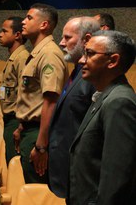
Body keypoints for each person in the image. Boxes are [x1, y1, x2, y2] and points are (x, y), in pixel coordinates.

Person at [69, 30, 136, 204]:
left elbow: (116, 176)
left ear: (113, 61)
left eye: (89, 54)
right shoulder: (105, 94)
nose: (82, 60)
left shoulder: (119, 101)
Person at [13, 3, 67, 184]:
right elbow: (33, 98)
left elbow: (51, 101)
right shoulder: (37, 53)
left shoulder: (49, 54)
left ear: (44, 25)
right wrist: (22, 126)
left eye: (29, 18)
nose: (23, 22)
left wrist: (42, 146)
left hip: (39, 134)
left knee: (38, 191)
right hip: (31, 130)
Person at [48, 16, 99, 198]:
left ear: (86, 39)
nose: (61, 43)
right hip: (64, 166)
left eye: (68, 38)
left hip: (80, 172)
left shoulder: (94, 78)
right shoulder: (77, 70)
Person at [0, 16, 29, 163]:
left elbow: (26, 93)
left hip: (16, 120)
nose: (0, 34)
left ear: (17, 35)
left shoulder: (22, 58)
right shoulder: (14, 57)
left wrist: (21, 125)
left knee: (15, 163)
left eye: (4, 31)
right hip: (10, 118)